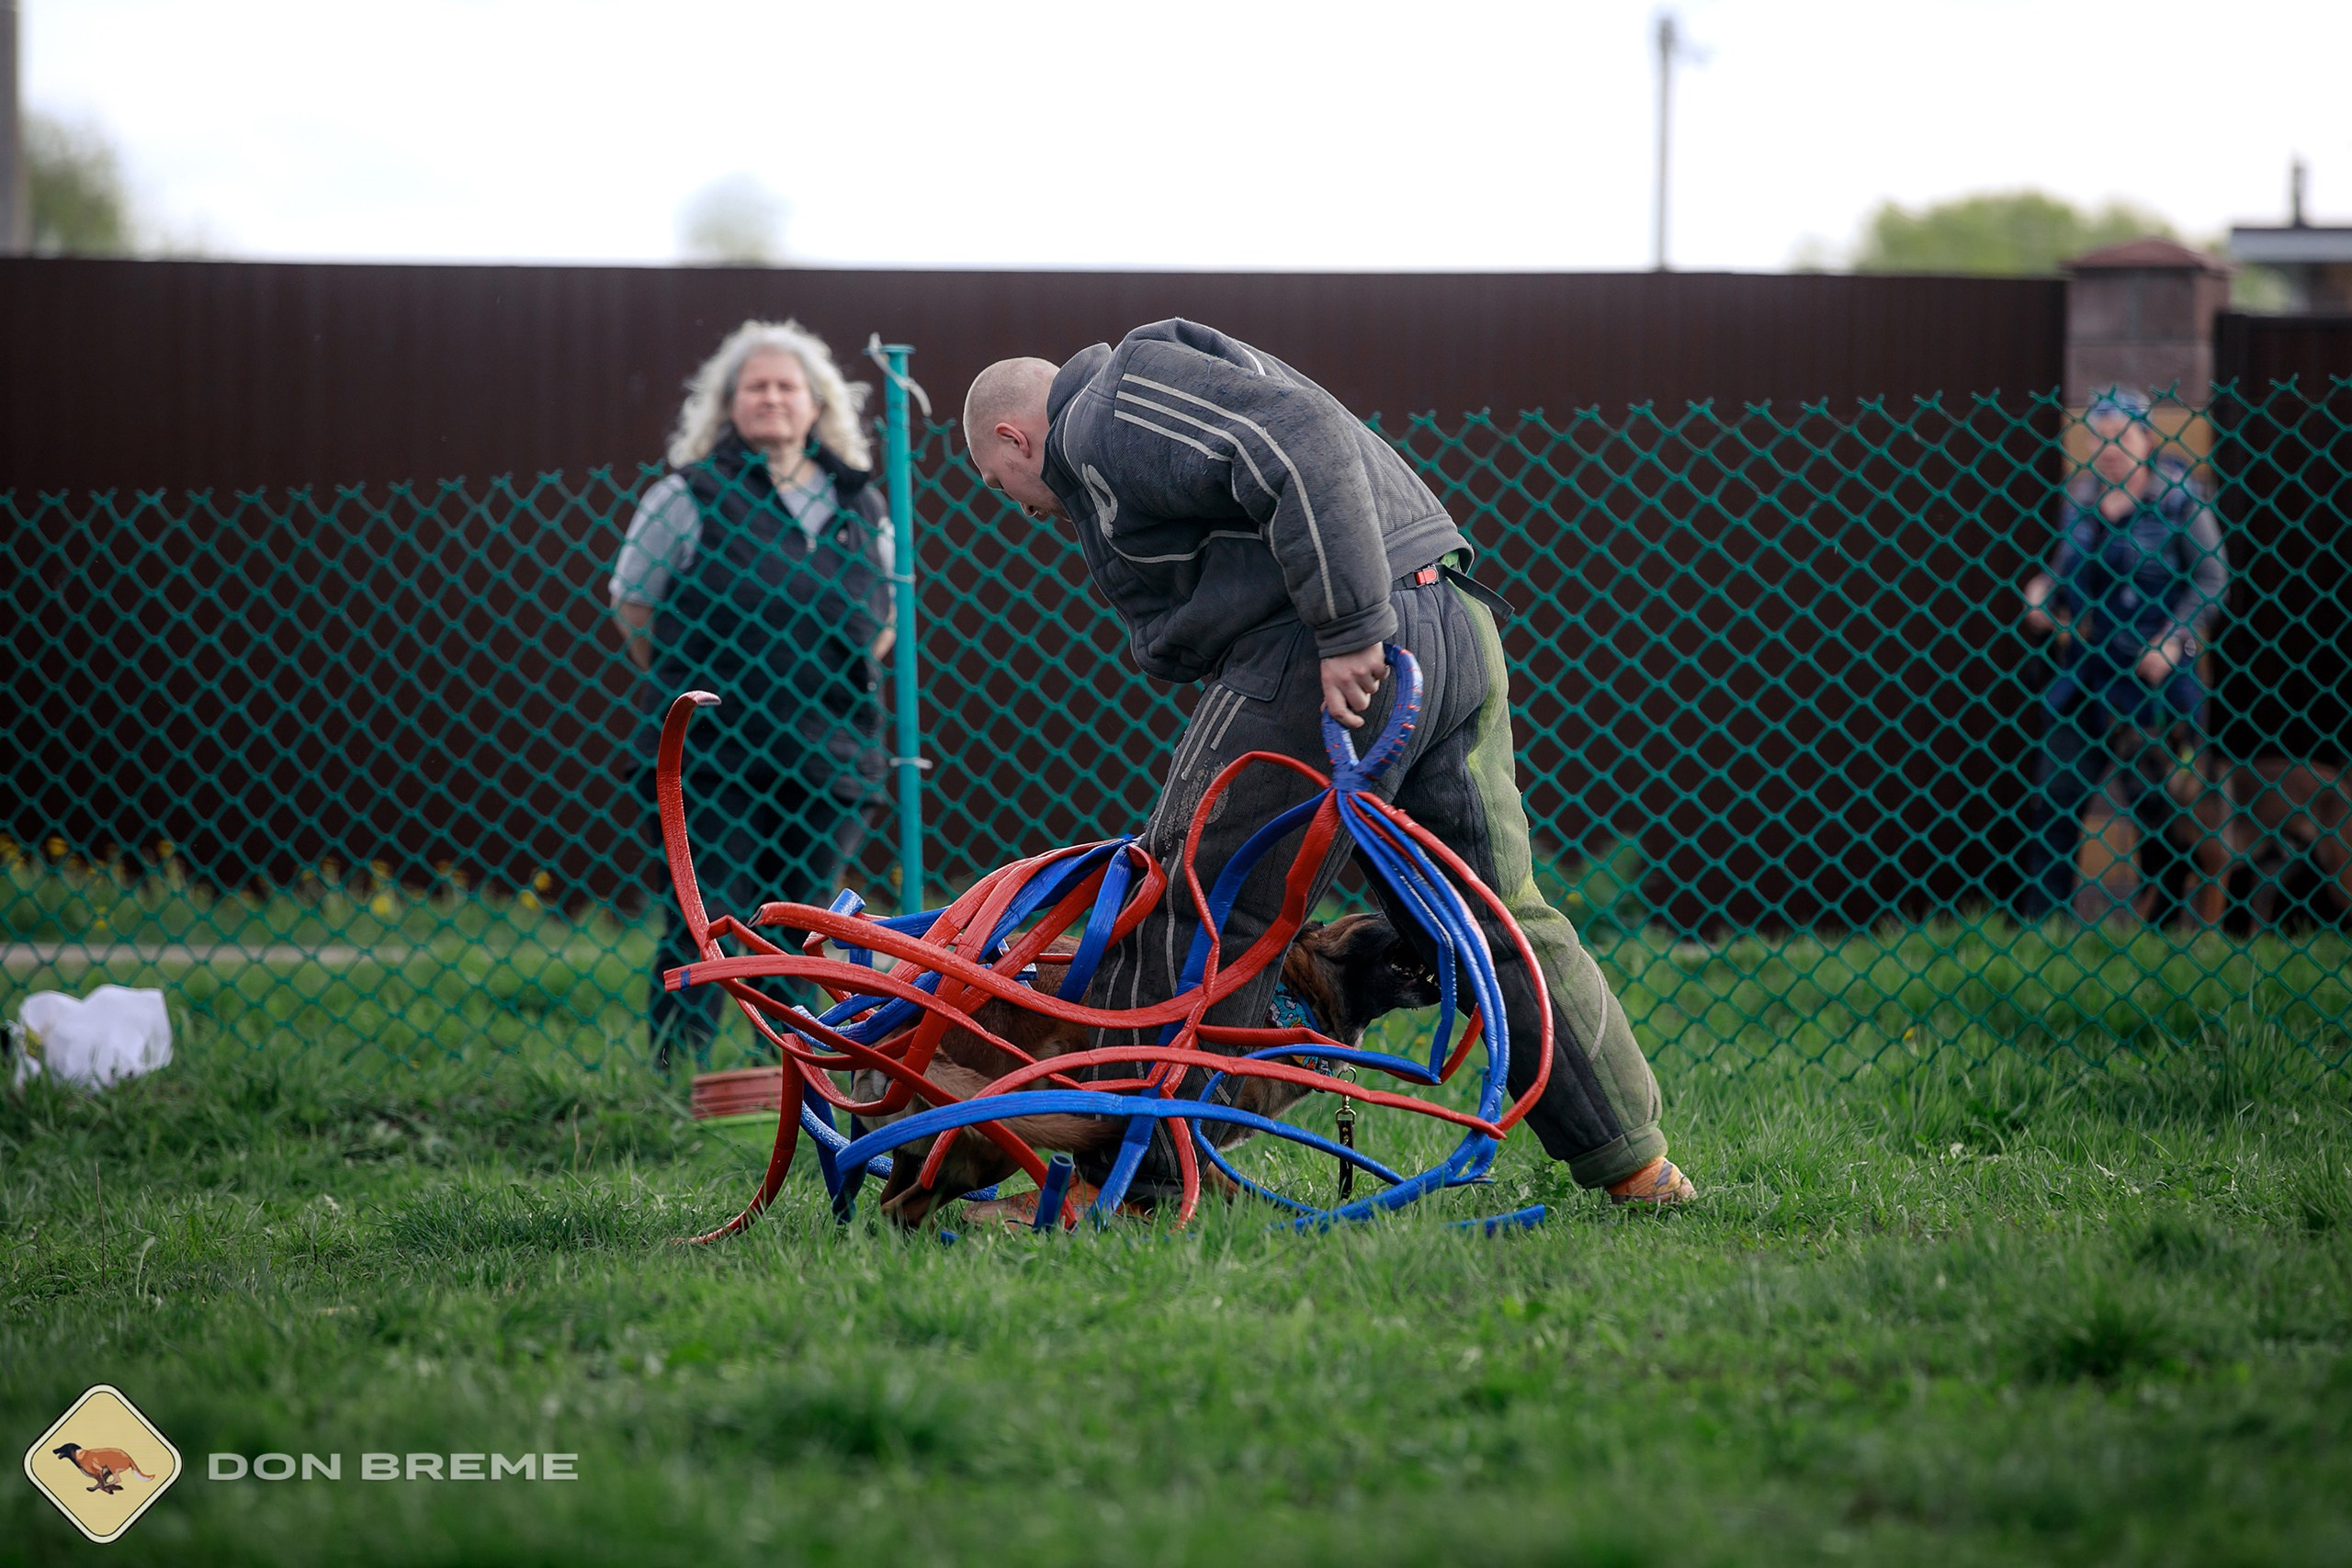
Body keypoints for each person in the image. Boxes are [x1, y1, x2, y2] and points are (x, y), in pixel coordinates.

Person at [961, 319, 1694, 1209]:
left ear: (1013, 436)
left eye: (1010, 490)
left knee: (1189, 901)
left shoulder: (1107, 407)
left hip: (1328, 645)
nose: (1036, 513)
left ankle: (1138, 1188)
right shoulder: (1148, 408)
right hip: (1450, 622)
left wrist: (1348, 629)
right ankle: (1636, 1164)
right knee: (1485, 919)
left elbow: (1294, 440)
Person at [610, 321, 894, 1069]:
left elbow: (882, 623)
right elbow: (634, 603)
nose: (771, 397)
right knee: (709, 913)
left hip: (829, 754)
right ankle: (678, 1075)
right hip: (711, 757)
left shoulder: (859, 502)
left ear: (816, 404)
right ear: (728, 404)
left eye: (786, 385)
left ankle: (795, 1074)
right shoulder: (688, 493)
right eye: (755, 386)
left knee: (802, 920)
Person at [2019, 389, 2228, 922]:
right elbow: (2063, 580)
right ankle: (2046, 937)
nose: (2110, 448)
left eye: (2122, 437)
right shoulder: (2079, 502)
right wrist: (2044, 594)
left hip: (2155, 688)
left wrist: (2174, 638)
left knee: (2160, 816)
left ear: (2147, 440)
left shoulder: (2182, 500)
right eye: (2100, 437)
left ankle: (2160, 940)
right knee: (2057, 803)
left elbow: (2211, 580)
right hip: (2084, 681)